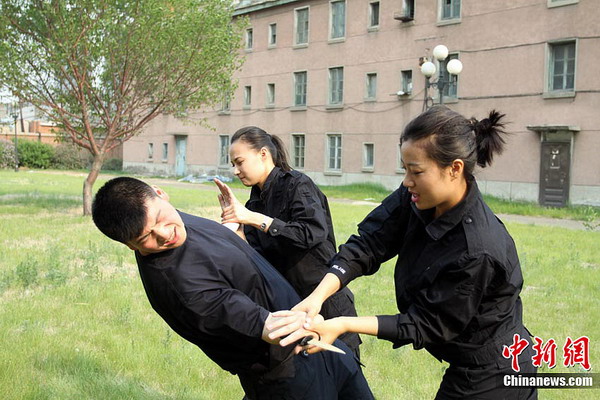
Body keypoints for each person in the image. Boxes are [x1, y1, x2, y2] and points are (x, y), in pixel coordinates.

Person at [271, 106, 538, 399]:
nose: (407, 180)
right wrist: (317, 297)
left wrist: (343, 323)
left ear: (455, 168)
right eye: (405, 169)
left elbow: (426, 324)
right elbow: (369, 243)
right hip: (469, 362)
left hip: (496, 370)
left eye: (417, 171)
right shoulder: (417, 197)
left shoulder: (477, 249)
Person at [91, 177, 374, 400]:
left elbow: (219, 255)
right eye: (146, 238)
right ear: (131, 246)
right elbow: (266, 326)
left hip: (321, 348)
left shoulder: (179, 223)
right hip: (290, 375)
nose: (165, 234)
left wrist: (235, 226)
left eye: (159, 219)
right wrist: (317, 319)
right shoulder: (180, 286)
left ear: (160, 193)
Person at [215, 126, 361, 357]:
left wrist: (255, 219)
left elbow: (311, 233)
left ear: (263, 154)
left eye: (240, 162)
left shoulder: (297, 185)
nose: (235, 171)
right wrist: (238, 231)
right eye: (233, 164)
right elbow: (259, 262)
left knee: (345, 371)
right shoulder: (254, 204)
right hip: (290, 308)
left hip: (324, 300)